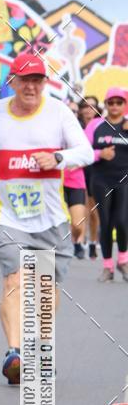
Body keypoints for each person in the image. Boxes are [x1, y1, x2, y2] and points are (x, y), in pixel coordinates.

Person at [0, 53, 93, 384]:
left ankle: (40, 348)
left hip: (50, 216)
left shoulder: (58, 112)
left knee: (45, 285)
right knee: (13, 279)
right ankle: (14, 352)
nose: (31, 86)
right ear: (12, 82)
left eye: (37, 80)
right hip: (7, 215)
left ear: (44, 83)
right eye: (24, 80)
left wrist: (57, 157)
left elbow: (86, 151)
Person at [84, 87, 128, 282]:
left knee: (122, 221)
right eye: (111, 102)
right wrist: (99, 154)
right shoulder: (96, 125)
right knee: (106, 222)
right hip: (101, 180)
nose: (115, 106)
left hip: (124, 180)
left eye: (119, 103)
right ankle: (108, 267)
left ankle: (123, 261)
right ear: (106, 105)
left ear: (125, 105)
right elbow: (83, 151)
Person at [78, 96, 102, 259]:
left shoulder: (102, 127)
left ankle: (93, 242)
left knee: (93, 211)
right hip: (78, 171)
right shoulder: (75, 126)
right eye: (85, 106)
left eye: (92, 106)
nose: (89, 109)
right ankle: (80, 242)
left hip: (96, 171)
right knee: (82, 210)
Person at [64, 101, 88, 260]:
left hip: (76, 181)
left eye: (74, 110)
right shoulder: (52, 131)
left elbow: (89, 155)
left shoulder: (82, 133)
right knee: (54, 221)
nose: (71, 113)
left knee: (77, 224)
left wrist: (77, 161)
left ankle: (77, 240)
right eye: (68, 110)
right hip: (55, 182)